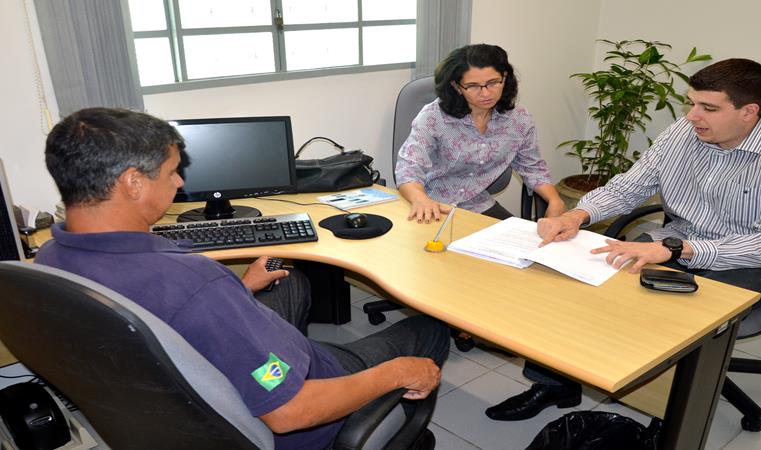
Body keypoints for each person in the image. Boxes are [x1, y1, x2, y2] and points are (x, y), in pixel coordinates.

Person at [35, 108, 451, 449]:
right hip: (294, 408)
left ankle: (276, 349)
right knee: (428, 329)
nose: (179, 182)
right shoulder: (197, 286)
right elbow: (290, 414)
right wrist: (396, 373)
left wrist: (238, 289)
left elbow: (167, 310)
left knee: (290, 280)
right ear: (132, 182)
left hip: (186, 394)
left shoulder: (51, 257)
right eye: (171, 172)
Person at [487, 58, 761, 421]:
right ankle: (554, 385)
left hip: (757, 259)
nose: (693, 116)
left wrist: (674, 249)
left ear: (749, 112)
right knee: (576, 285)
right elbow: (630, 186)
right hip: (678, 239)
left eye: (708, 108)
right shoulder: (685, 131)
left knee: (669, 317)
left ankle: (667, 420)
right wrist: (577, 215)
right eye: (692, 103)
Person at [395, 43, 565, 223]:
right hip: (431, 203)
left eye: (492, 83)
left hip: (477, 205)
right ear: (457, 86)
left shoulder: (519, 120)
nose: (486, 93)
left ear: (504, 78)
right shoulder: (434, 117)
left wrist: (555, 200)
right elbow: (408, 170)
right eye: (473, 86)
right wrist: (421, 200)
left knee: (522, 247)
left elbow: (532, 167)